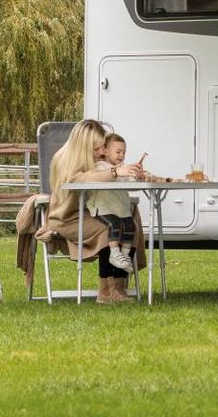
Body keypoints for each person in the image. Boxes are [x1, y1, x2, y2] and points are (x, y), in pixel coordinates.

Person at [46, 118, 137, 304]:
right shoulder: (63, 160)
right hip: (67, 219)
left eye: (103, 146)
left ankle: (119, 288)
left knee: (129, 223)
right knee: (108, 228)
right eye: (97, 148)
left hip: (87, 212)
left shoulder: (93, 160)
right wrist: (114, 173)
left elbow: (102, 175)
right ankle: (106, 291)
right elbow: (81, 179)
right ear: (83, 147)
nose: (103, 152)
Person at [88, 132, 144, 275]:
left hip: (120, 208)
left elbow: (133, 186)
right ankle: (115, 254)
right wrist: (119, 172)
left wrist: (138, 178)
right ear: (106, 151)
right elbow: (108, 176)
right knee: (115, 225)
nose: (122, 155)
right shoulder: (100, 167)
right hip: (104, 208)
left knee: (131, 226)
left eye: (124, 152)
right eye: (118, 151)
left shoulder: (122, 168)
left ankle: (124, 256)